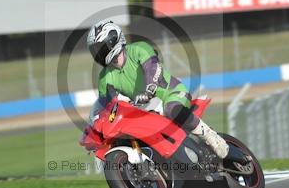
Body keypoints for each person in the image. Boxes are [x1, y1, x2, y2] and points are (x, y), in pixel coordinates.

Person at [86, 19, 229, 159]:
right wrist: (96, 129)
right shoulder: (104, 77)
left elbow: (152, 69)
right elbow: (106, 105)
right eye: (95, 51)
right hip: (144, 107)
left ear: (114, 40)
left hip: (171, 93)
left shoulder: (139, 49)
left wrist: (148, 91)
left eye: (101, 48)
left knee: (172, 109)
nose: (99, 54)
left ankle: (210, 136)